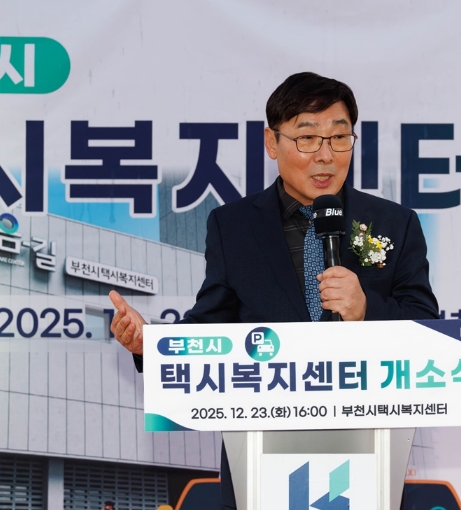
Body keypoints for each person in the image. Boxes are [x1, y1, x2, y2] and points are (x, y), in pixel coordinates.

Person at [109, 72, 440, 510]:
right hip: (263, 453)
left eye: (339, 138)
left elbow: (429, 330)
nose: (325, 155)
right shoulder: (233, 226)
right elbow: (210, 326)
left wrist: (366, 308)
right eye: (307, 138)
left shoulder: (394, 223)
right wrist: (148, 345)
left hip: (367, 447)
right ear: (272, 142)